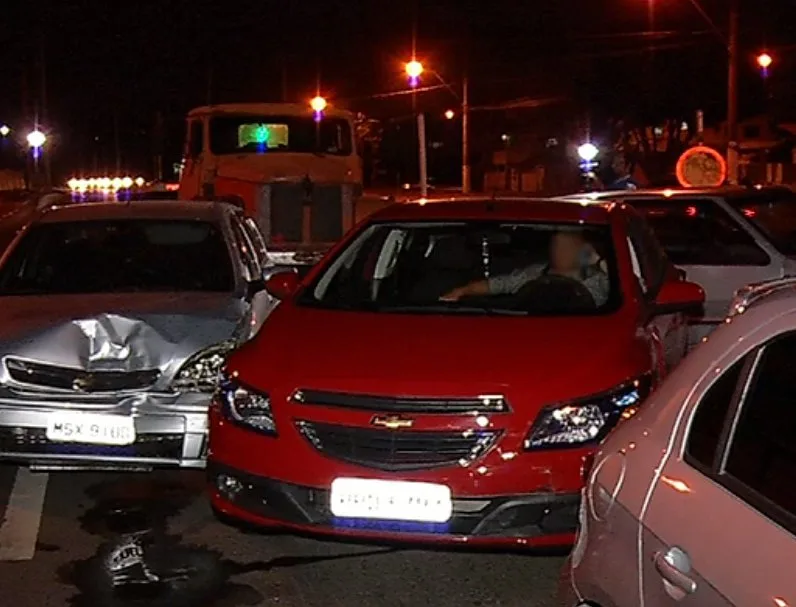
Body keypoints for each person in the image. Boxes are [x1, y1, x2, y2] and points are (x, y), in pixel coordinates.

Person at [440, 230, 609, 306]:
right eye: (556, 246)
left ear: (581, 250)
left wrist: (597, 260)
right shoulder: (534, 273)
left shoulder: (598, 280)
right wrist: (462, 291)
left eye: (566, 246)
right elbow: (499, 284)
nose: (559, 251)